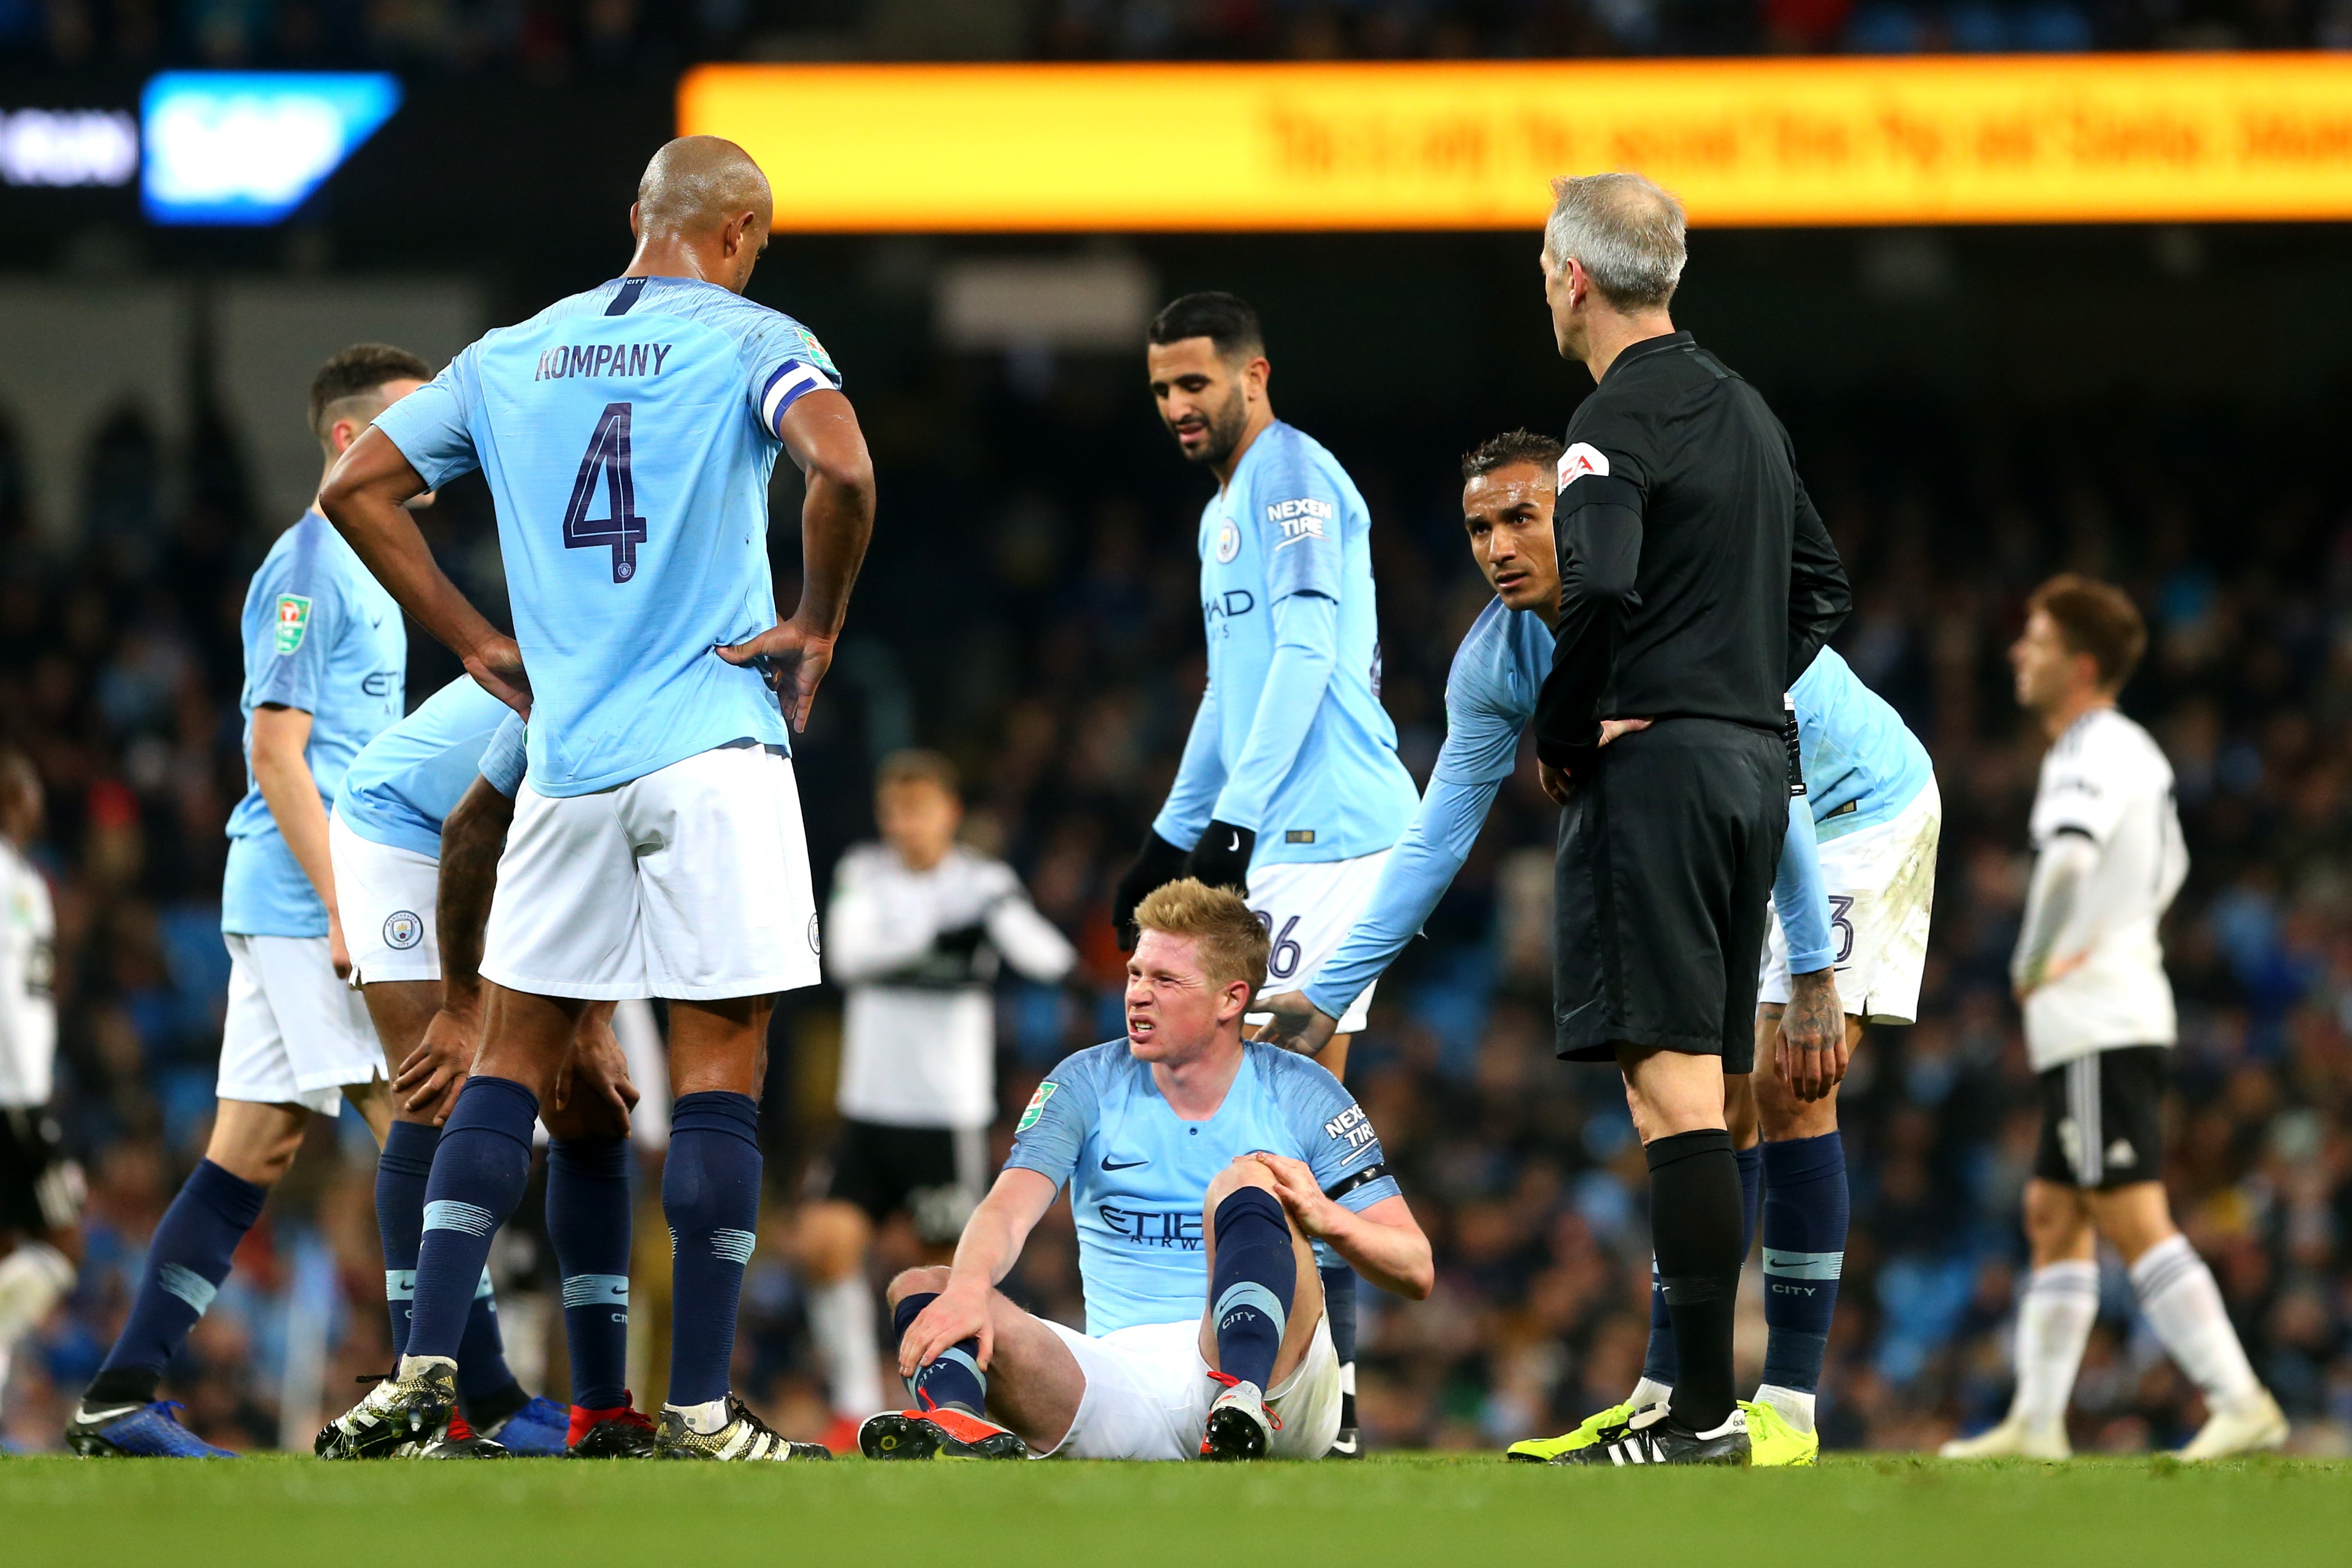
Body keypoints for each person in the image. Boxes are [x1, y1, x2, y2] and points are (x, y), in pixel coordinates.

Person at [315, 134, 874, 1462]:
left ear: (638, 216)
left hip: (565, 755)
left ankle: (422, 1371)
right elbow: (840, 470)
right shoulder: (752, 334)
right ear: (740, 234)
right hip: (710, 746)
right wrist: (815, 620)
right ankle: (694, 1407)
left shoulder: (509, 352)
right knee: (720, 1062)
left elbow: (359, 487)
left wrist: (464, 632)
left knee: (508, 1058)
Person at [1252, 430, 1865, 1465]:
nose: (1496, 544)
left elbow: (1784, 790)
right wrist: (1328, 989)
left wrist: (1813, 971)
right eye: (1478, 526)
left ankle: (1786, 1414)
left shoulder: (1662, 612)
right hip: (1740, 814)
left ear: (1576, 518)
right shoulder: (1498, 658)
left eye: (1520, 516)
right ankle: (1674, 1397)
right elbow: (1438, 837)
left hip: (1852, 801)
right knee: (1700, 1103)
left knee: (1786, 1083)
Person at [1529, 173, 1850, 1465]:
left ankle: (1703, 1414)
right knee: (1705, 1092)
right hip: (1747, 777)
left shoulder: (1608, 421)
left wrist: (1570, 723)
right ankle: (1688, 1403)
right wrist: (1730, 685)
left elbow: (1597, 580)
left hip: (1656, 776)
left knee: (1677, 1108)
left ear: (1574, 279)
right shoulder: (1749, 412)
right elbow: (1822, 585)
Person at [67, 345, 425, 1457]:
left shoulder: (381, 560)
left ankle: (120, 1394)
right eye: (416, 425)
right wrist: (342, 906)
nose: (439, 445)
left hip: (310, 891)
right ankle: (464, 1398)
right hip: (303, 893)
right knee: (424, 1120)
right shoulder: (311, 564)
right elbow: (277, 757)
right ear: (347, 439)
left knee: (253, 1149)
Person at [1111, 291, 1418, 1455]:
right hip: (1290, 835)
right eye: (1161, 392)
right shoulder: (1223, 509)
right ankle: (1324, 1412)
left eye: (1196, 383)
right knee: (1289, 1129)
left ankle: (1308, 1407)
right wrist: (1171, 833)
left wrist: (1232, 827)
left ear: (1254, 375)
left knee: (1272, 1119)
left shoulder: (1291, 477)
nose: (1179, 407)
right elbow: (1227, 693)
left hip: (1329, 830)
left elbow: (1302, 651)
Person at [859, 879, 1431, 1463]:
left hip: (1281, 1392)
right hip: (1124, 1380)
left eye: (1165, 980)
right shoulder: (1084, 1081)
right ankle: (958, 1428)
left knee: (1248, 1180)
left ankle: (1240, 1397)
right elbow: (1006, 1210)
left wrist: (1326, 1218)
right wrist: (968, 1288)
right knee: (925, 1286)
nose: (1137, 995)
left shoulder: (1301, 1091)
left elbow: (1415, 1267)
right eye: (1135, 974)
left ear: (1230, 999)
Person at [1942, 575, 2286, 1462]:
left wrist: (2030, 959)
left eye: (2037, 639)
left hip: (2097, 1015)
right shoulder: (2136, 750)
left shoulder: (2088, 745)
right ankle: (2036, 1420)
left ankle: (2237, 1396)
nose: (2018, 652)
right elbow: (2167, 869)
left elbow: (2062, 863)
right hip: (2110, 1006)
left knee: (2128, 1214)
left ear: (2080, 664)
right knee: (2053, 1214)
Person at [329, 675, 646, 1456]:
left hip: (516, 850)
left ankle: (596, 1411)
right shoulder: (609, 676)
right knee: (437, 1093)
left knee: (589, 1103)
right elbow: (471, 825)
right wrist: (465, 1004)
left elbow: (623, 860)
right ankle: (423, 1414)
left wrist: (594, 1019)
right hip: (406, 825)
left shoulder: (691, 711)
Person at [798, 749, 1075, 1449]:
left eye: (919, 808)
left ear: (949, 813)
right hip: (868, 1108)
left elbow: (1044, 956)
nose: (906, 824)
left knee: (940, 1276)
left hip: (945, 1113)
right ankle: (854, 1405)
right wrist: (939, 940)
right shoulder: (863, 873)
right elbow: (848, 957)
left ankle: (942, 1406)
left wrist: (1000, 919)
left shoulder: (983, 882)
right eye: (895, 809)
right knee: (827, 1246)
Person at [0, 752, 77, 1421]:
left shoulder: (27, 880)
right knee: (63, 1239)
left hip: (23, 1090)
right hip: (13, 1097)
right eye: (28, 792)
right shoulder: (11, 882)